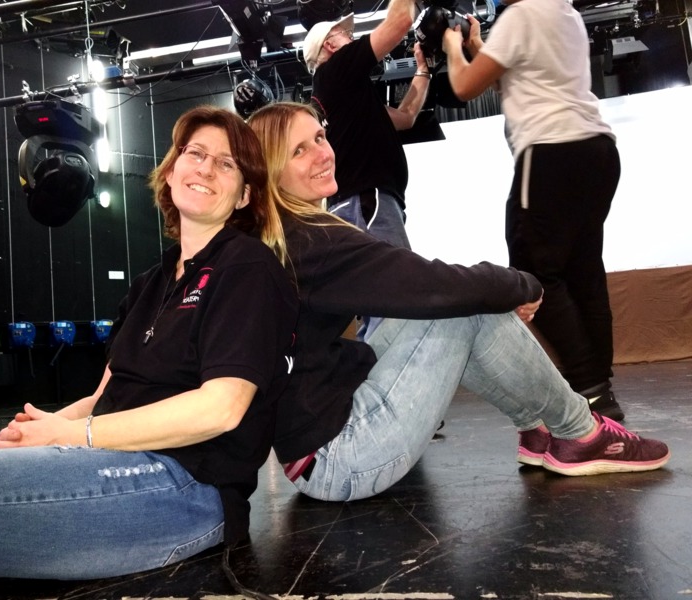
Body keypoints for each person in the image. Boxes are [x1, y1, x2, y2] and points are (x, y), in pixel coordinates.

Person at [0, 106, 298, 599]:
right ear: (171, 171)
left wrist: (70, 435)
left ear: (245, 195)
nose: (207, 168)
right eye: (195, 153)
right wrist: (43, 429)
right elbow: (104, 397)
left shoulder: (248, 267)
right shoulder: (150, 283)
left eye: (227, 163)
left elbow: (222, 408)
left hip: (184, 488)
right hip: (106, 458)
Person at [247, 101, 669, 504]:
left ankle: (541, 429)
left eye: (320, 138)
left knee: (459, 303)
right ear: (270, 169)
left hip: (315, 450)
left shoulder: (286, 237)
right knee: (458, 306)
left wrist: (496, 292)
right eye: (299, 150)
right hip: (341, 460)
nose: (322, 154)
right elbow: (431, 284)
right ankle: (581, 433)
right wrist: (523, 284)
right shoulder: (311, 242)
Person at [441, 1, 625, 420]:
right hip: (597, 150)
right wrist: (478, 45)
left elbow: (465, 86)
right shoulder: (565, 13)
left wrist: (453, 48)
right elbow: (510, 77)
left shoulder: (520, 15)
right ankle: (598, 389)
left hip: (551, 151)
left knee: (533, 269)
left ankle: (589, 387)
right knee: (583, 272)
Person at [302, 0, 430, 338]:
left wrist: (423, 69)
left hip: (362, 203)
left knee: (381, 305)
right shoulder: (335, 71)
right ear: (330, 46)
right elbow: (399, 21)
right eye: (345, 34)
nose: (352, 38)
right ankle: (389, 371)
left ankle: (375, 366)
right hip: (365, 202)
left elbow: (406, 117)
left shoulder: (344, 94)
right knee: (397, 300)